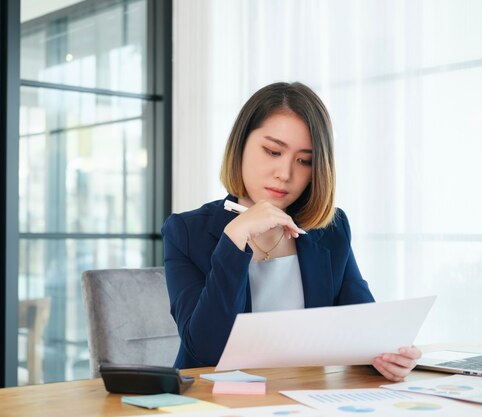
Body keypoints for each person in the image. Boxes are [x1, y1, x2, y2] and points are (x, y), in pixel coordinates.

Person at [161, 81, 420, 382]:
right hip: (214, 402)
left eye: (304, 161)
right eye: (272, 151)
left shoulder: (330, 230)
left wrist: (390, 357)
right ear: (241, 145)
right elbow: (208, 351)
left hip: (302, 398)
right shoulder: (186, 231)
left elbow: (363, 330)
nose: (285, 174)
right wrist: (235, 240)